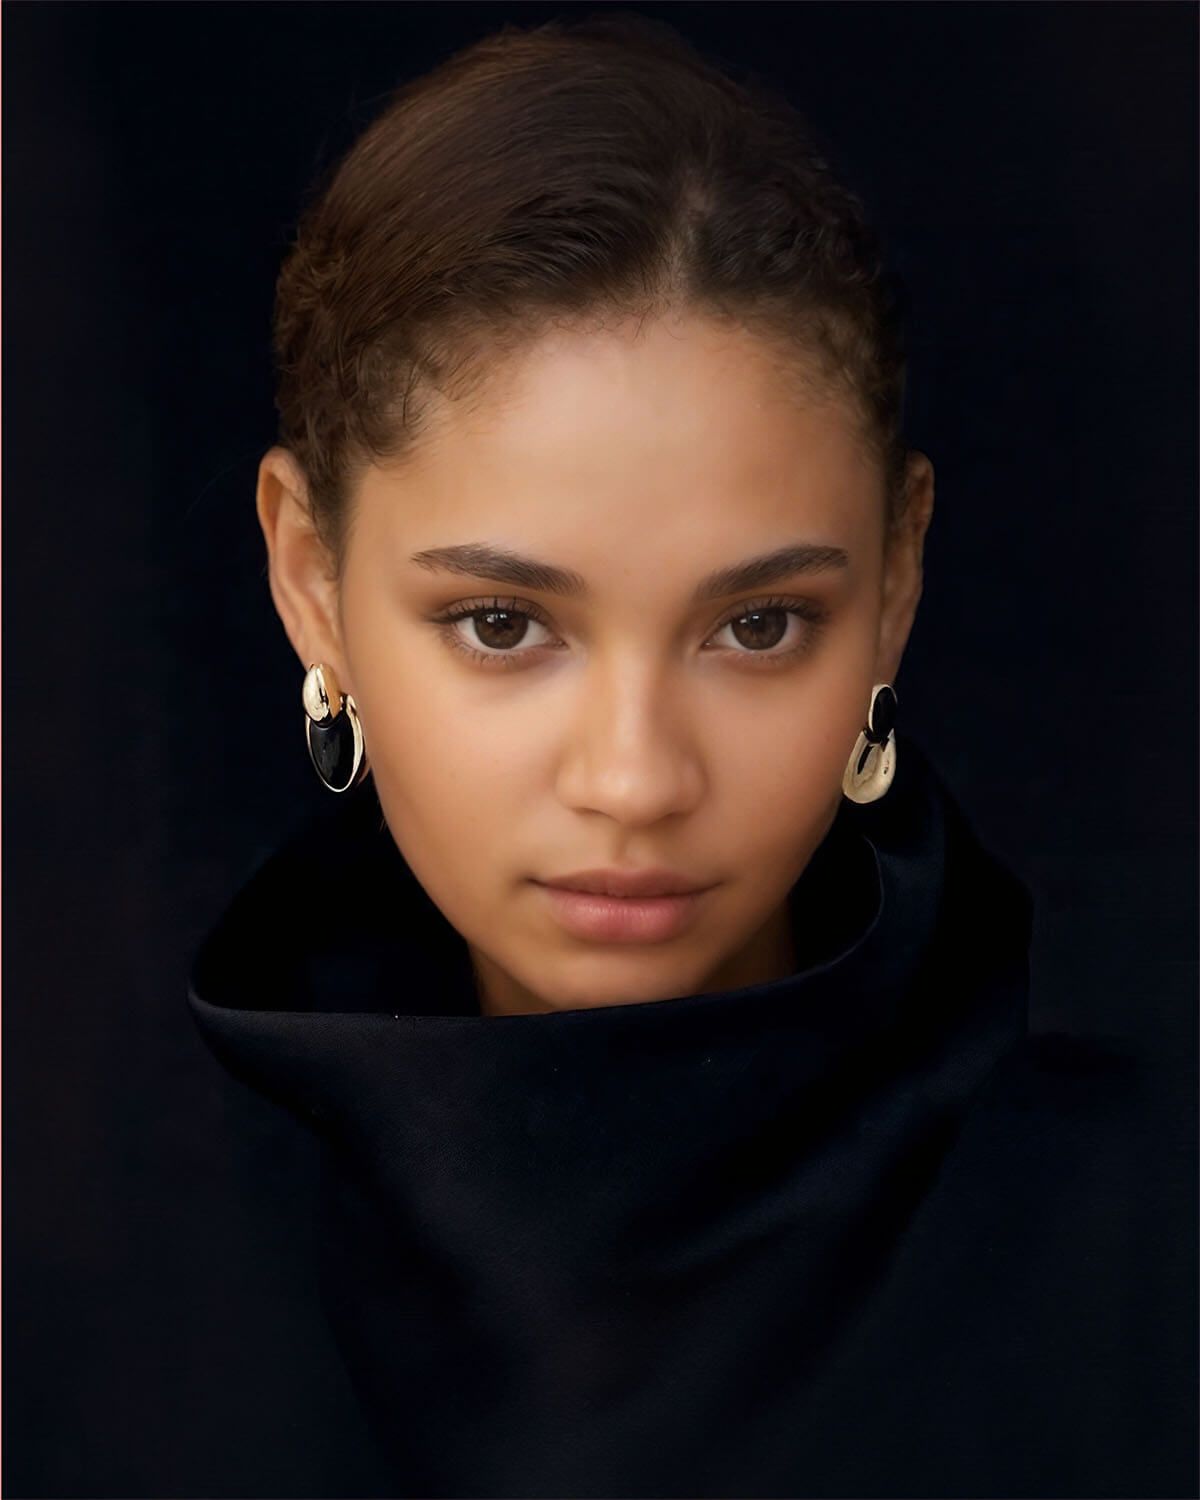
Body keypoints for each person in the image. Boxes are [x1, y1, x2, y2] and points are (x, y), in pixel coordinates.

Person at [188, 14, 1194, 1497]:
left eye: (761, 626)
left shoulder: (1149, 1251)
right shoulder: (103, 1265)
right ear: (308, 578)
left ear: (898, 583)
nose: (638, 778)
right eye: (501, 624)